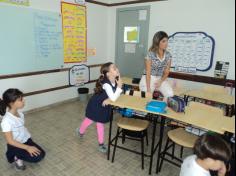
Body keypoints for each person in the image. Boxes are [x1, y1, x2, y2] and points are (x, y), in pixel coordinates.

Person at [76, 62, 123, 153]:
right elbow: (114, 97)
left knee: (99, 123)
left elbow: (113, 96)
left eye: (116, 67)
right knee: (89, 120)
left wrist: (109, 99)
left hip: (104, 105)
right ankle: (81, 131)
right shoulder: (106, 84)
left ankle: (100, 144)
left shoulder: (115, 80)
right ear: (108, 73)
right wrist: (119, 87)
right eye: (114, 68)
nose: (117, 69)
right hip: (96, 104)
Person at [0, 89, 45, 171]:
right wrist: (27, 148)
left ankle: (20, 152)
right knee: (37, 158)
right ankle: (14, 155)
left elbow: (21, 128)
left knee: (42, 153)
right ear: (11, 103)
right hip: (14, 144)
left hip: (25, 140)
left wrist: (28, 141)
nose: (24, 100)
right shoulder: (6, 121)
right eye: (20, 99)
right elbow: (10, 141)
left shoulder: (20, 114)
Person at [139, 31, 174, 100]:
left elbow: (166, 72)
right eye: (163, 41)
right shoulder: (150, 54)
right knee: (147, 97)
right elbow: (148, 72)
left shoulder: (168, 55)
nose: (166, 43)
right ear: (157, 42)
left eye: (167, 41)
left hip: (160, 78)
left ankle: (161, 108)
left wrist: (160, 81)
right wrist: (148, 89)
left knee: (170, 94)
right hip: (148, 78)